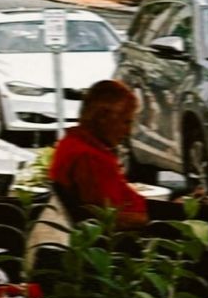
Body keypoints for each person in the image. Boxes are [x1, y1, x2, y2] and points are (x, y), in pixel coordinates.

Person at [46, 77, 149, 230]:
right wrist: (147, 219)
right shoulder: (89, 158)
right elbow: (105, 217)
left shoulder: (73, 143)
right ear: (102, 118)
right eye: (125, 122)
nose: (127, 132)